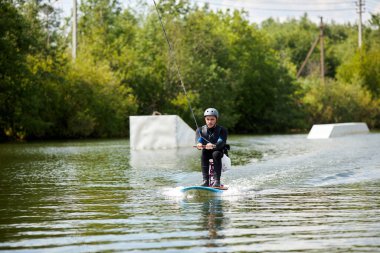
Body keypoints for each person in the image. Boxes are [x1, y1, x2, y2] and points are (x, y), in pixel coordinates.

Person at [196, 108, 228, 187]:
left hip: (219, 151)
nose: (210, 121)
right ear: (205, 119)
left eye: (212, 119)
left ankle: (217, 181)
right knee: (204, 153)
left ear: (216, 119)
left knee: (215, 154)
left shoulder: (222, 130)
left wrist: (213, 145)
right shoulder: (199, 130)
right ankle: (205, 181)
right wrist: (199, 144)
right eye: (208, 119)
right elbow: (199, 140)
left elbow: (221, 142)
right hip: (206, 151)